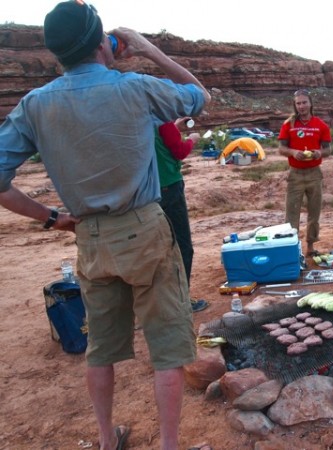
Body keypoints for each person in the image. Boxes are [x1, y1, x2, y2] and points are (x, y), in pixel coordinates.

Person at [0, 2, 212, 449]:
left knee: (101, 348)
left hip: (89, 239)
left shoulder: (35, 104)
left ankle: (105, 439)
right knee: (168, 350)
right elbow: (199, 95)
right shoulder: (133, 87)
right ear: (102, 43)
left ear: (59, 54)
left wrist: (54, 220)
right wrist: (147, 48)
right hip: (144, 229)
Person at [155, 118, 209, 312]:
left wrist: (175, 127)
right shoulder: (161, 119)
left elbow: (160, 140)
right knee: (182, 247)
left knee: (156, 247)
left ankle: (157, 302)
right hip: (169, 186)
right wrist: (192, 139)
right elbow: (179, 152)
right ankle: (181, 301)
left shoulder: (140, 118)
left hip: (149, 191)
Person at [278, 89, 332, 256]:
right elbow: (281, 148)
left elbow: (328, 149)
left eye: (304, 102)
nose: (301, 106)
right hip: (295, 174)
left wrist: (319, 153)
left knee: (314, 213)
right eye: (298, 103)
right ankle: (292, 250)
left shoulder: (320, 125)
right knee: (291, 214)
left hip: (314, 174)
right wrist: (293, 153)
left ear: (310, 103)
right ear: (295, 105)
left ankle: (310, 247)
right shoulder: (289, 124)